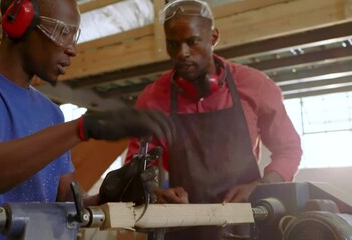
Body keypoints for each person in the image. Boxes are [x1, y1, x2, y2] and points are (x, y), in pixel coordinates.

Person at [0, 0, 175, 239]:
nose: (72, 49)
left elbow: (64, 202)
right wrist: (83, 128)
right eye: (62, 32)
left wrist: (107, 196)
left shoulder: (52, 113)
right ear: (19, 21)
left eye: (75, 36)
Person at [125, 0, 303, 238]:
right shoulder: (152, 100)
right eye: (173, 44)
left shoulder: (255, 86)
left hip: (246, 222)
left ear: (214, 37)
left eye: (192, 42)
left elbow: (289, 150)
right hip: (183, 226)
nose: (182, 53)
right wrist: (156, 193)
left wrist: (261, 187)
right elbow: (137, 167)